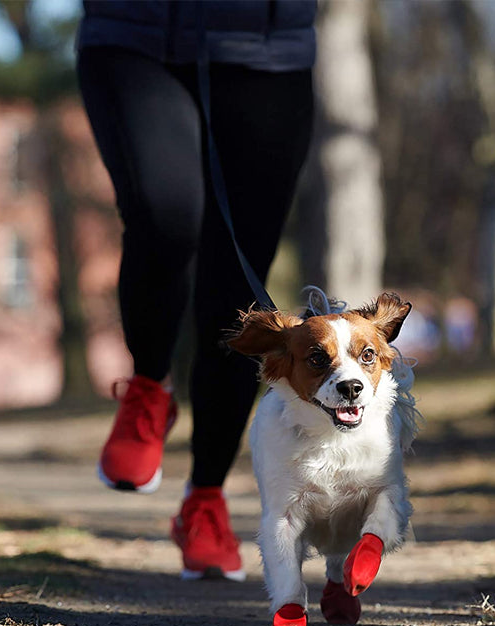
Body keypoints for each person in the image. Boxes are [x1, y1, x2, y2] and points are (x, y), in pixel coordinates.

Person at [76, 1, 316, 581]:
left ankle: (205, 498)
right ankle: (148, 388)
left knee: (237, 298)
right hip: (136, 36)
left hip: (267, 51)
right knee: (164, 216)